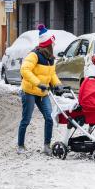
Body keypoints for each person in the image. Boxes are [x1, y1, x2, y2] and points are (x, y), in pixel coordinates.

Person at [18, 24, 63, 155]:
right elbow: (24, 70)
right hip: (30, 92)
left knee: (49, 118)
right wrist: (38, 83)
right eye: (52, 44)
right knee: (26, 119)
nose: (54, 46)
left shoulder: (50, 58)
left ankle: (47, 146)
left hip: (43, 93)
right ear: (47, 45)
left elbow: (51, 74)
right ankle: (20, 145)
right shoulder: (34, 55)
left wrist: (57, 84)